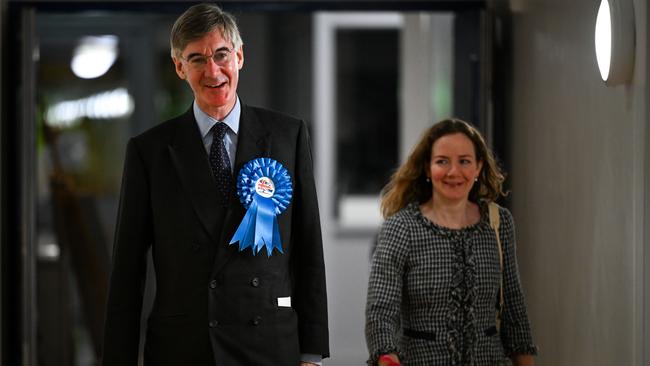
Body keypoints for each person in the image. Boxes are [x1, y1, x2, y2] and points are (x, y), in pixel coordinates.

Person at [102, 3, 329, 366]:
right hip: (184, 347)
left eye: (222, 54)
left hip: (270, 344)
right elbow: (127, 271)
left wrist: (311, 352)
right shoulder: (150, 152)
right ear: (179, 67)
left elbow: (307, 248)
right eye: (196, 59)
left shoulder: (288, 135)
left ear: (239, 56)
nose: (213, 70)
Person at [365, 119, 537, 366]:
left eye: (464, 161)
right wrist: (387, 357)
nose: (453, 172)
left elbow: (514, 309)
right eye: (442, 161)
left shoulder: (499, 223)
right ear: (427, 168)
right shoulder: (400, 228)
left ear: (478, 167)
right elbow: (381, 312)